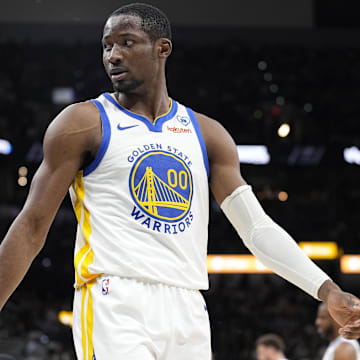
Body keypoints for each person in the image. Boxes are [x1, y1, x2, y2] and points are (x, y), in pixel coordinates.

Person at [1, 3, 360, 359]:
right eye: (107, 45)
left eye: (126, 42)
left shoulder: (207, 134)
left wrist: (326, 290)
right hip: (115, 298)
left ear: (162, 48)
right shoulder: (82, 123)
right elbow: (31, 225)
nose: (113, 55)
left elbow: (256, 229)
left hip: (188, 306)